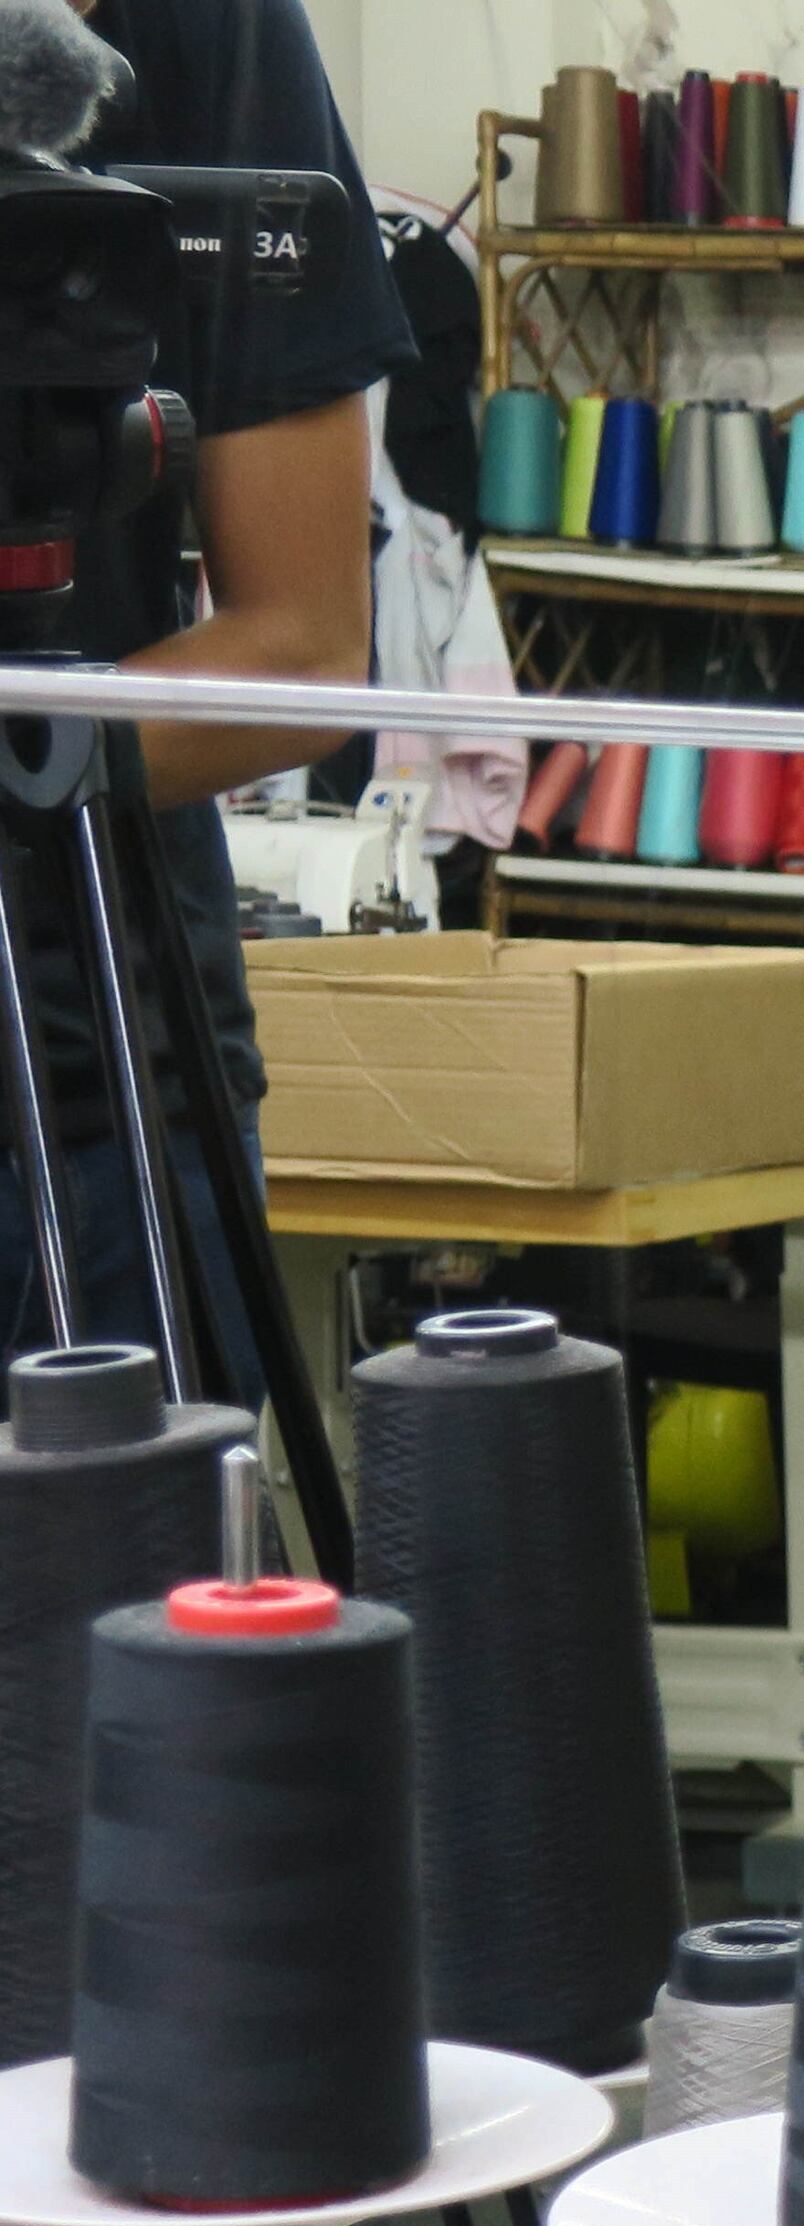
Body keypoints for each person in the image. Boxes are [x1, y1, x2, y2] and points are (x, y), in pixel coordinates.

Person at [2, 0, 400, 1365]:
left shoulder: (193, 26)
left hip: (95, 1087)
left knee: (153, 1575)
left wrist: (40, 756)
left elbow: (297, 646)